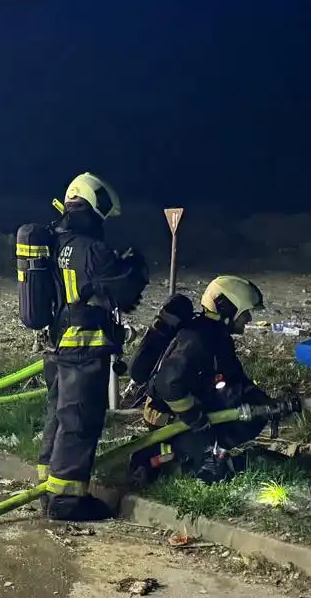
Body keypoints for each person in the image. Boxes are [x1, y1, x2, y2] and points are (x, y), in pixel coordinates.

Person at [37, 173, 148, 521]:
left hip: (57, 345)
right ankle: (67, 500)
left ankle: (49, 485)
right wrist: (136, 267)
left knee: (58, 414)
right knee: (80, 420)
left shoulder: (54, 240)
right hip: (83, 347)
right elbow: (124, 291)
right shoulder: (91, 248)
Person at [135, 275, 292, 484]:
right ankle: (157, 457)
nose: (249, 319)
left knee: (252, 416)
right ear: (227, 308)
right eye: (245, 312)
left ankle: (209, 451)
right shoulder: (197, 338)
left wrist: (269, 405)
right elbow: (168, 384)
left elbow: (235, 381)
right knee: (205, 470)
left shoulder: (218, 337)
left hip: (195, 409)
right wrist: (194, 417)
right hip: (167, 414)